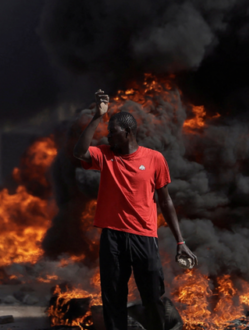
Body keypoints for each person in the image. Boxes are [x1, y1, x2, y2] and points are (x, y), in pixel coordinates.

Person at [73, 90, 198, 330]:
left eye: (113, 132)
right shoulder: (105, 155)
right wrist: (98, 117)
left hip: (144, 237)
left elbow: (166, 201)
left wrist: (181, 242)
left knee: (152, 296)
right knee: (113, 298)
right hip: (112, 238)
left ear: (128, 132)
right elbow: (79, 152)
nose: (108, 137)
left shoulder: (154, 159)